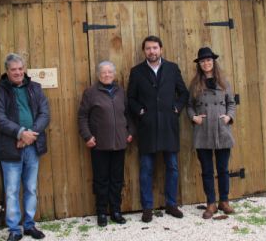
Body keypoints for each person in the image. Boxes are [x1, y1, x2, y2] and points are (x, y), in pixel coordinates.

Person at [0, 53, 50, 241]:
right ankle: (15, 230)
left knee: (31, 188)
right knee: (12, 191)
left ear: (24, 69)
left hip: (32, 146)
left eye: (20, 69)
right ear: (7, 71)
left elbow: (44, 114)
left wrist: (30, 135)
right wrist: (20, 133)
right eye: (13, 69)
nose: (17, 72)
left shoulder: (35, 88)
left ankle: (29, 225)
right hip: (10, 148)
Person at [127, 35, 189, 223]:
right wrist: (141, 112)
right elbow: (131, 98)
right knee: (146, 168)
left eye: (155, 48)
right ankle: (147, 207)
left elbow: (183, 93)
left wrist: (176, 108)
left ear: (161, 49)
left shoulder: (172, 68)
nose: (152, 51)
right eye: (148, 48)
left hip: (169, 125)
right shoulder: (136, 72)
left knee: (172, 167)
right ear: (144, 51)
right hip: (147, 127)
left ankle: (171, 204)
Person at [78, 61, 133, 227]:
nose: (107, 75)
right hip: (99, 144)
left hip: (119, 143)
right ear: (98, 75)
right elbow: (82, 117)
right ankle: (101, 211)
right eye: (103, 72)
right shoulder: (90, 93)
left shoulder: (120, 91)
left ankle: (116, 211)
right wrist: (87, 136)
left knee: (117, 179)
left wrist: (130, 132)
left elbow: (128, 114)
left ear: (114, 74)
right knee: (101, 179)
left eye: (110, 72)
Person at [187, 47, 236, 219]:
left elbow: (231, 103)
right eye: (202, 61)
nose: (206, 63)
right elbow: (189, 105)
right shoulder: (195, 84)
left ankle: (224, 201)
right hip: (203, 131)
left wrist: (229, 117)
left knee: (223, 169)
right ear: (199, 64)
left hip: (222, 130)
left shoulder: (224, 82)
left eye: (208, 60)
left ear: (213, 62)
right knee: (207, 170)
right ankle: (211, 203)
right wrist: (194, 118)